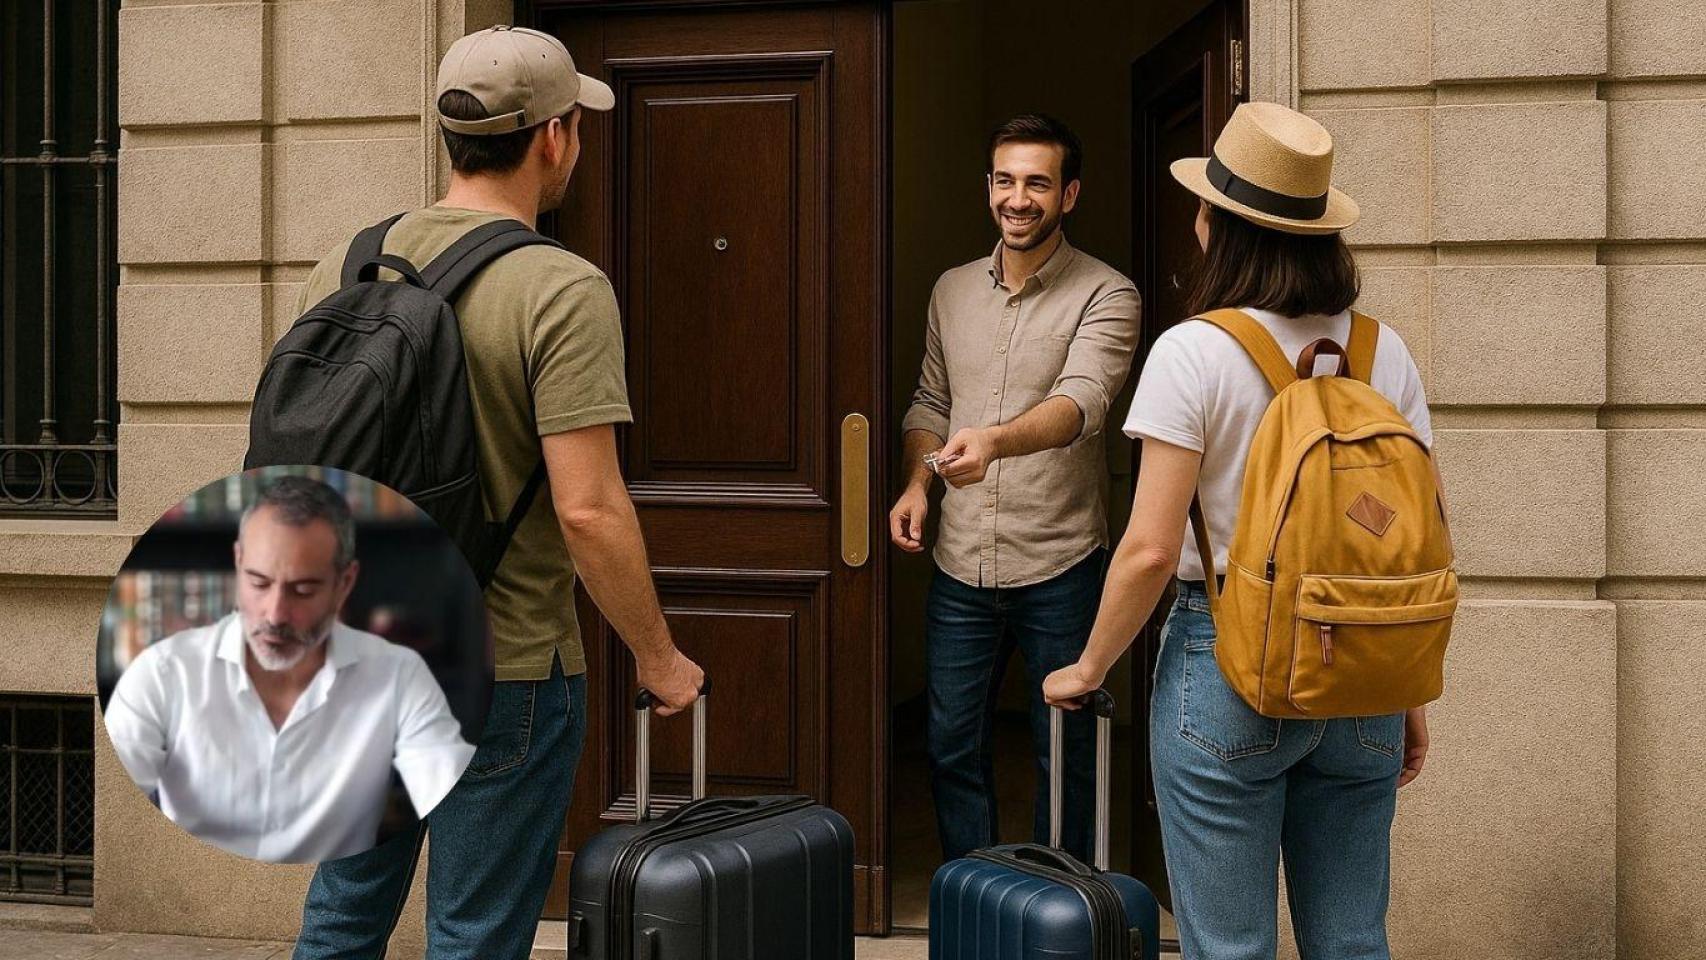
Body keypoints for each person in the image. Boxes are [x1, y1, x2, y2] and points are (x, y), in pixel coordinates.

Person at [285, 25, 703, 960]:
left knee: (343, 916)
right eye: (576, 129)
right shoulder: (559, 285)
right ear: (552, 138)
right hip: (502, 667)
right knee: (474, 935)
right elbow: (588, 508)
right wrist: (659, 657)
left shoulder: (346, 264)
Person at [1042, 101, 1438, 959]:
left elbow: (1149, 549)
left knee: (1230, 947)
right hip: (1363, 668)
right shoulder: (1383, 351)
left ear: (1218, 225)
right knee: (1352, 942)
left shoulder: (1194, 351)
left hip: (1225, 656)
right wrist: (1399, 690)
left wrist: (1088, 666)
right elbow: (1402, 535)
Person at [891, 114, 1140, 864]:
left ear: (1069, 194)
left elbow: (1083, 402)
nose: (1018, 198)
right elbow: (932, 403)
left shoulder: (1107, 292)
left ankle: (1056, 907)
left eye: (1037, 182)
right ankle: (978, 899)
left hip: (1060, 559)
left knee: (1064, 750)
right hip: (961, 562)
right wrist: (917, 485)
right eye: (1005, 181)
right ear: (988, 189)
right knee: (949, 746)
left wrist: (995, 442)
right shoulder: (951, 290)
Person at [105, 476, 475, 864]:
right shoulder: (163, 672)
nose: (276, 614)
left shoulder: (398, 674)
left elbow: (447, 782)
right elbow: (115, 802)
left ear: (344, 583)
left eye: (302, 590)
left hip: (333, 900)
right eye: (259, 583)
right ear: (238, 563)